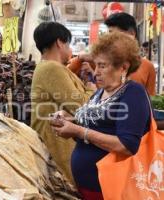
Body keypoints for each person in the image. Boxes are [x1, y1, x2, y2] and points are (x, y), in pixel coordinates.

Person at [51, 31, 151, 200]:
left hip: (112, 189)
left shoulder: (133, 93)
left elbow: (127, 145)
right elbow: (95, 127)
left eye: (102, 66)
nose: (95, 72)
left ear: (123, 68)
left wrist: (78, 131)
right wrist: (68, 120)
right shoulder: (100, 93)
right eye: (95, 65)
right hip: (89, 186)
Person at [31, 22, 94, 184]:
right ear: (60, 42)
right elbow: (80, 106)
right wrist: (91, 88)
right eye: (68, 43)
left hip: (59, 143)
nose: (70, 49)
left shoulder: (51, 67)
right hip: (59, 147)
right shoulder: (52, 68)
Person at [69, 12, 156, 96]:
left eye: (114, 34)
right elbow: (66, 74)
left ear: (131, 35)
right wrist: (81, 57)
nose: (110, 38)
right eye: (109, 33)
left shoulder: (147, 67)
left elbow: (150, 99)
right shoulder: (97, 60)